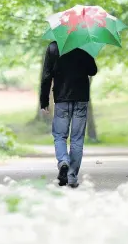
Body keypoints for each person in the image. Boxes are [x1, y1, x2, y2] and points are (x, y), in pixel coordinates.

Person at [40, 41, 97, 188]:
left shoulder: (53, 47)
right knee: (77, 139)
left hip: (61, 99)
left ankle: (63, 161)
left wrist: (44, 100)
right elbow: (93, 70)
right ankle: (71, 177)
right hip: (81, 98)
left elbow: (47, 75)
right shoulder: (84, 44)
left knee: (60, 135)